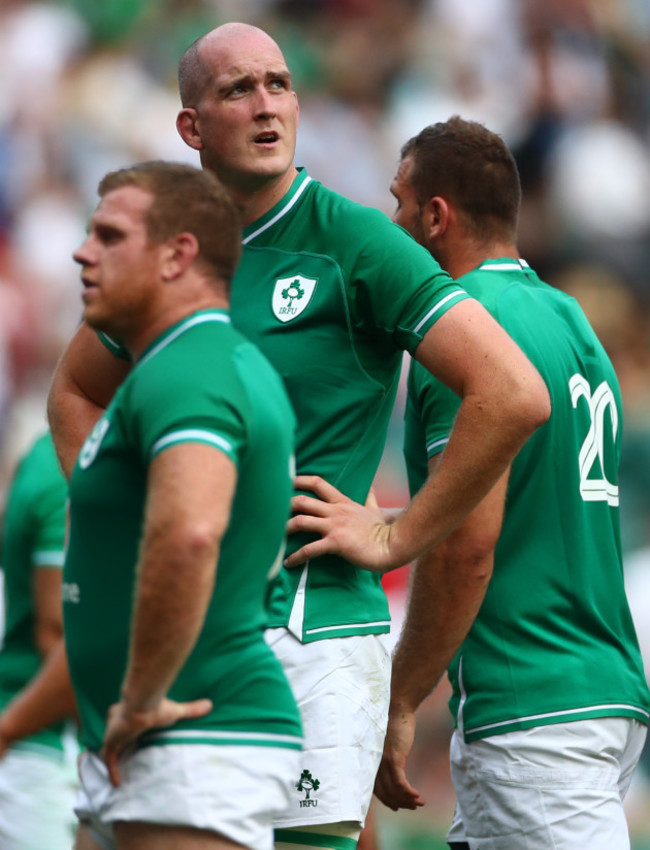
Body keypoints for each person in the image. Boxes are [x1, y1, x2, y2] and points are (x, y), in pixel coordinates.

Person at [48, 25, 550, 850]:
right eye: (239, 89)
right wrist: (118, 517)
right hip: (194, 625)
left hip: (312, 632)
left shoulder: (353, 240)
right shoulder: (175, 254)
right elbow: (73, 390)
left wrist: (397, 532)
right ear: (191, 126)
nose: (267, 104)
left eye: (279, 84)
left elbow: (511, 392)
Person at [290, 116, 650, 850]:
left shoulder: (468, 334)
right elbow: (531, 507)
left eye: (397, 202)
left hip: (533, 710)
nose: (389, 223)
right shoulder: (568, 317)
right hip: (601, 690)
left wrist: (398, 700)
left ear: (435, 215)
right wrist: (392, 513)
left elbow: (468, 547)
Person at [62, 160, 303, 850]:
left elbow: (191, 533)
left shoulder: (191, 364)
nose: (83, 252)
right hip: (148, 750)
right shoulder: (181, 364)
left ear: (178, 254)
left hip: (194, 738)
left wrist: (140, 696)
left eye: (109, 236)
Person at [0, 429, 78, 850]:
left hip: (34, 746)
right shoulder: (64, 470)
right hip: (46, 751)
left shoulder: (45, 449)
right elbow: (58, 634)